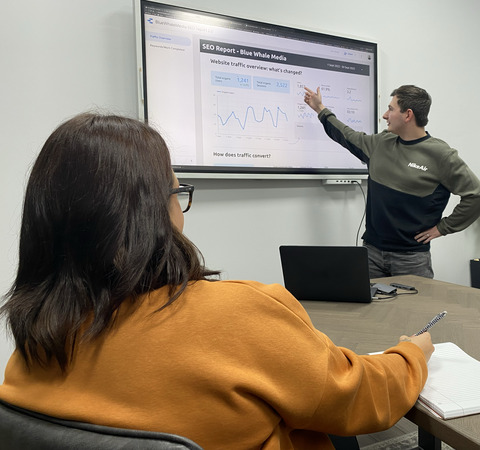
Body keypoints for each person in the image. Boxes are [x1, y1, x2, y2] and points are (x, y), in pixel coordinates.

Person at [0, 112, 434, 450]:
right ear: (151, 214)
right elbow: (358, 396)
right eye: (176, 191)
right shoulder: (238, 315)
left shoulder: (32, 348)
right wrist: (411, 355)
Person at [304, 85, 480, 279]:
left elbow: (476, 196)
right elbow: (346, 135)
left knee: (413, 310)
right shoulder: (381, 143)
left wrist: (443, 228)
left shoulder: (441, 155)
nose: (385, 115)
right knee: (370, 310)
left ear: (408, 115)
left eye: (391, 109)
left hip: (412, 259)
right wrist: (320, 109)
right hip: (371, 254)